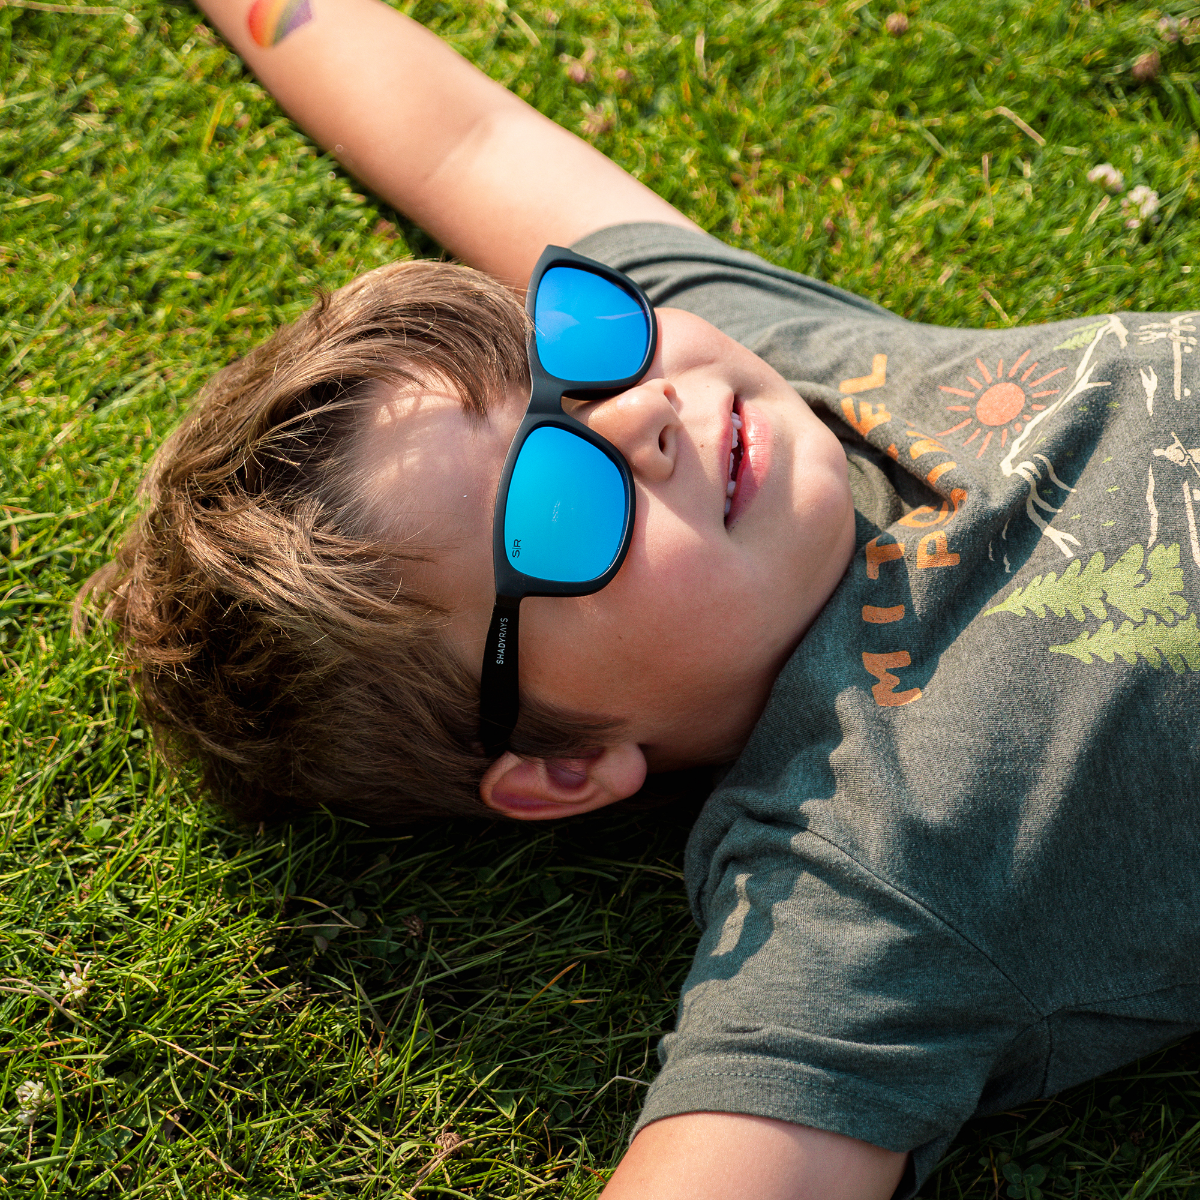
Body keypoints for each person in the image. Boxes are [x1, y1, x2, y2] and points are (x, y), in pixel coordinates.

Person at [83, 0, 1200, 1197]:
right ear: (564, 768)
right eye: (557, 504)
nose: (639, 416)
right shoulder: (867, 867)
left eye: (565, 346)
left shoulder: (768, 372)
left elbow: (463, 142)